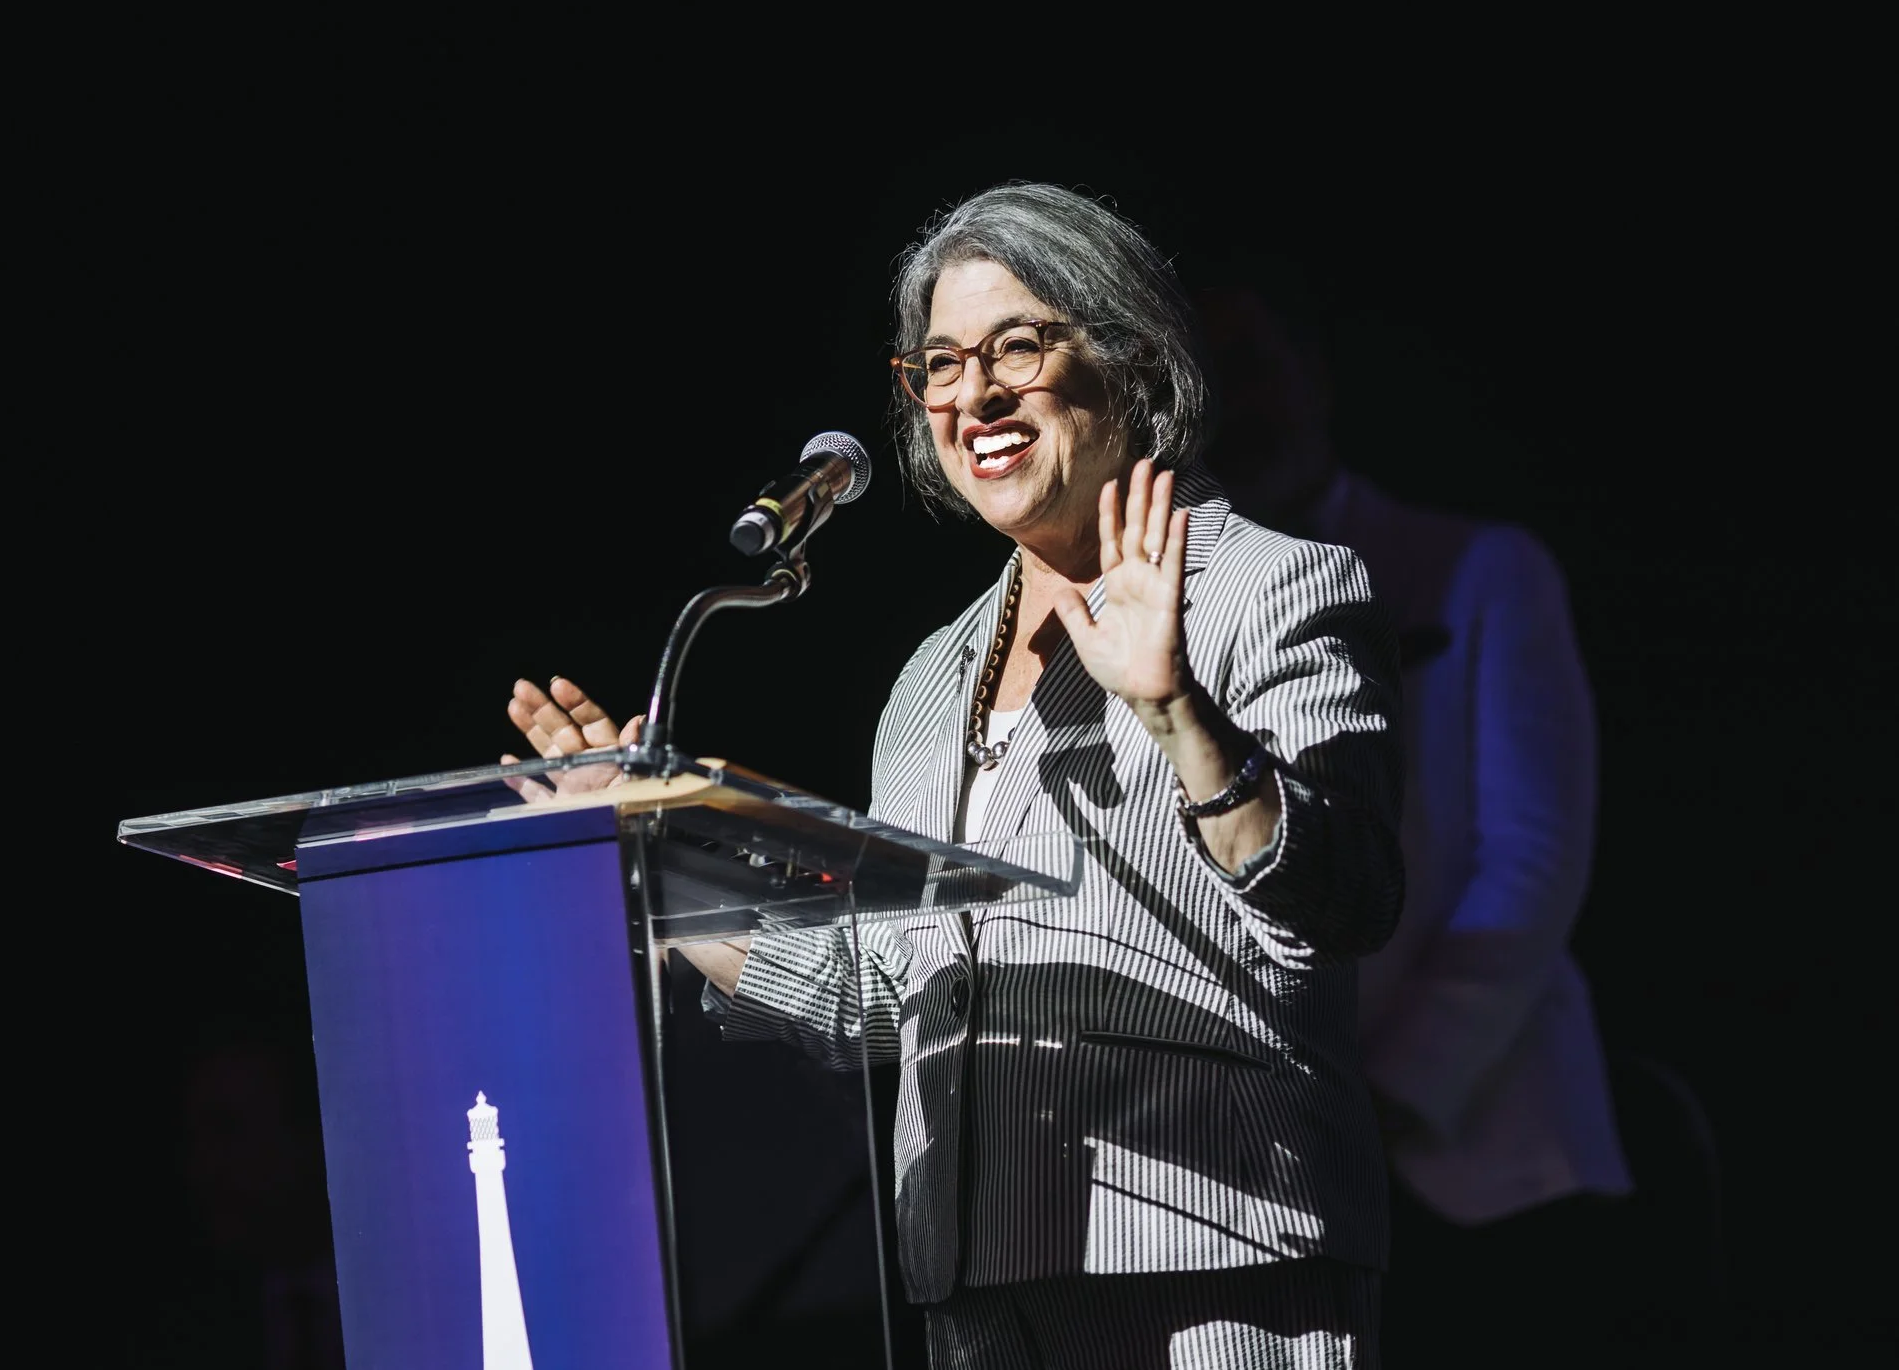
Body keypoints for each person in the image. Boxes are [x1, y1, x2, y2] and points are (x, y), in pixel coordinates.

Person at [506, 183, 1404, 1368]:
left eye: (1015, 348)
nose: (971, 396)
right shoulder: (932, 683)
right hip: (977, 1299)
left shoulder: (1264, 587)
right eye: (936, 365)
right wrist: (645, 861)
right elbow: (877, 990)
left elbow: (1344, 904)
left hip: (1212, 1269)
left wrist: (1175, 709)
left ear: (1129, 359)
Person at [1192, 277, 1631, 1358]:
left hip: (1481, 1161)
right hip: (1271, 1189)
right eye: (1202, 383)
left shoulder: (1476, 569)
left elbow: (1530, 864)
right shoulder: (1171, 630)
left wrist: (1388, 1096)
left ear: (1315, 378)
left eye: (1247, 366)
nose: (1230, 409)